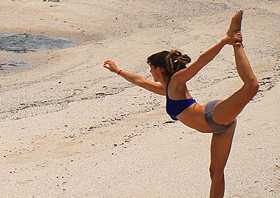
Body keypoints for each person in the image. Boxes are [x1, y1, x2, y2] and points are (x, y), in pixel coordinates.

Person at [101, 11, 252, 198]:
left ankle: (236, 40)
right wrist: (118, 71)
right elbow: (139, 81)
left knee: (251, 86)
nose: (149, 72)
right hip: (220, 128)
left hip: (213, 116)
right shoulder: (167, 89)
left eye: (151, 68)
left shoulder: (176, 81)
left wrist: (224, 42)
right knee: (215, 172)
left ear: (159, 69)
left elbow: (200, 63)